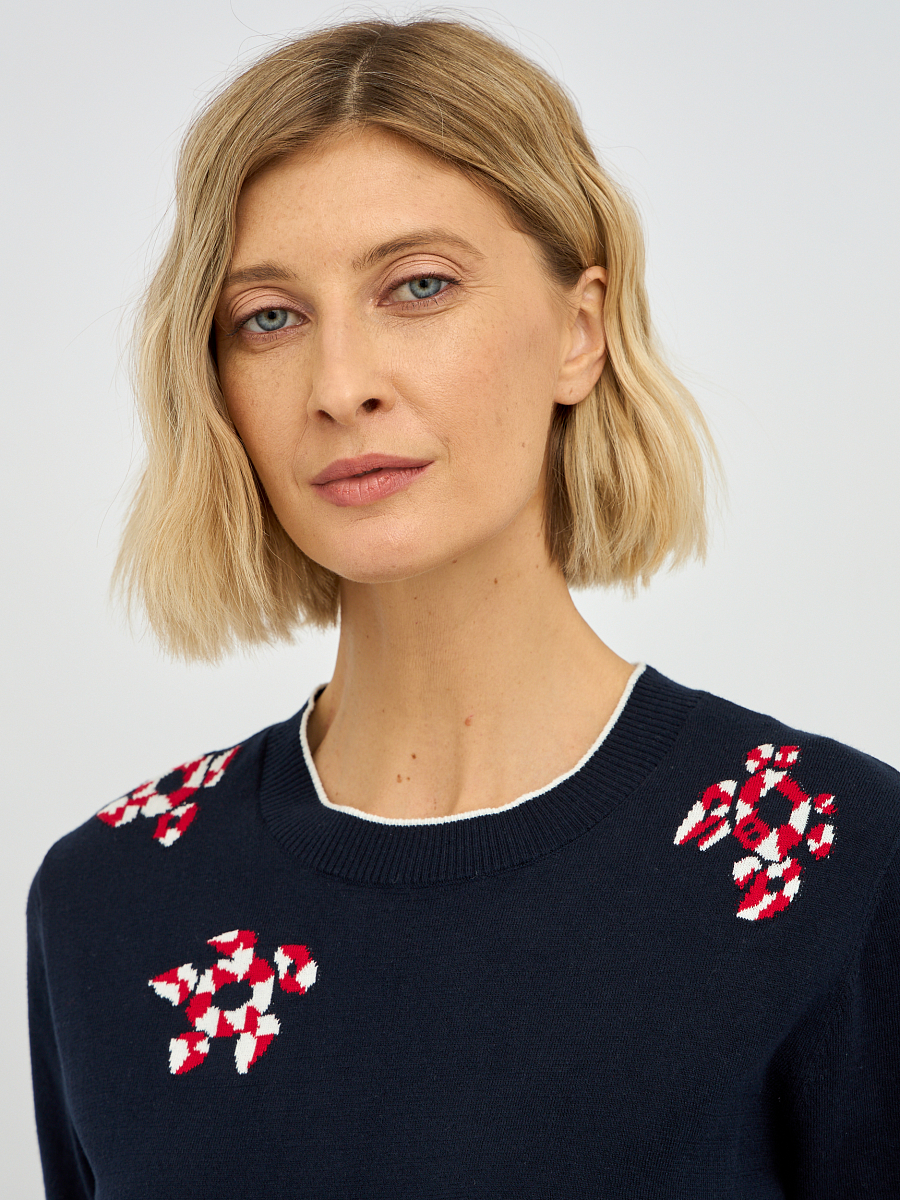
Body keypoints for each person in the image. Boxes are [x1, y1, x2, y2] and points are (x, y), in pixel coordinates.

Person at [27, 16, 899, 1199]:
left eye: (419, 287)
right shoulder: (108, 902)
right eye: (269, 316)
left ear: (580, 333)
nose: (342, 386)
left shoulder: (841, 864)